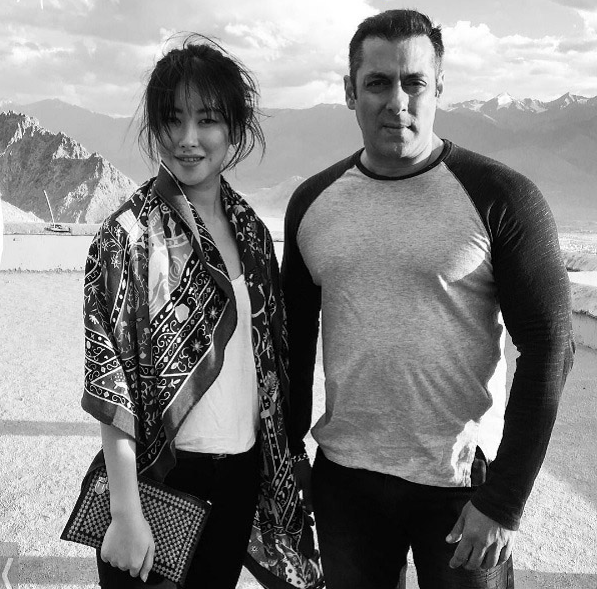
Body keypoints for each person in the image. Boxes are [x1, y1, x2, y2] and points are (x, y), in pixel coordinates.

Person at [282, 9, 575, 589]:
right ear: (349, 91)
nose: (398, 101)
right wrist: (289, 455)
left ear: (439, 87)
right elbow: (292, 340)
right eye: (378, 82)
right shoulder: (312, 203)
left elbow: (550, 347)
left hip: (462, 488)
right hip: (347, 483)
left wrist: (504, 501)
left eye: (414, 82)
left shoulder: (502, 198)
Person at [80, 35, 320, 589]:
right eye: (173, 120)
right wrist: (125, 513)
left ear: (235, 129)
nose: (189, 139)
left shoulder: (252, 233)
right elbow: (111, 382)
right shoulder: (126, 239)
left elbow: (269, 367)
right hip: (160, 483)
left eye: (207, 120)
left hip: (239, 477)